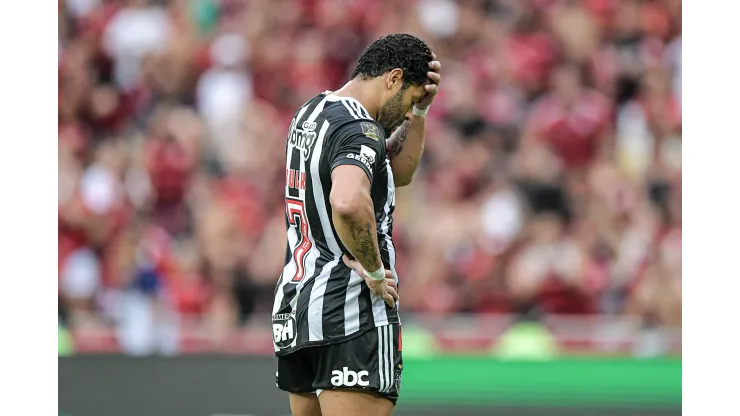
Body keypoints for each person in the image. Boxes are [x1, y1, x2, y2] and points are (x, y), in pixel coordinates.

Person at [272, 34, 442, 416]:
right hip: (350, 311)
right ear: (393, 78)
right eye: (411, 99)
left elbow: (396, 172)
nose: (406, 112)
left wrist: (419, 114)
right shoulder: (360, 129)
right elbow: (348, 202)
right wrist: (374, 270)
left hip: (298, 311)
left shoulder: (311, 114)